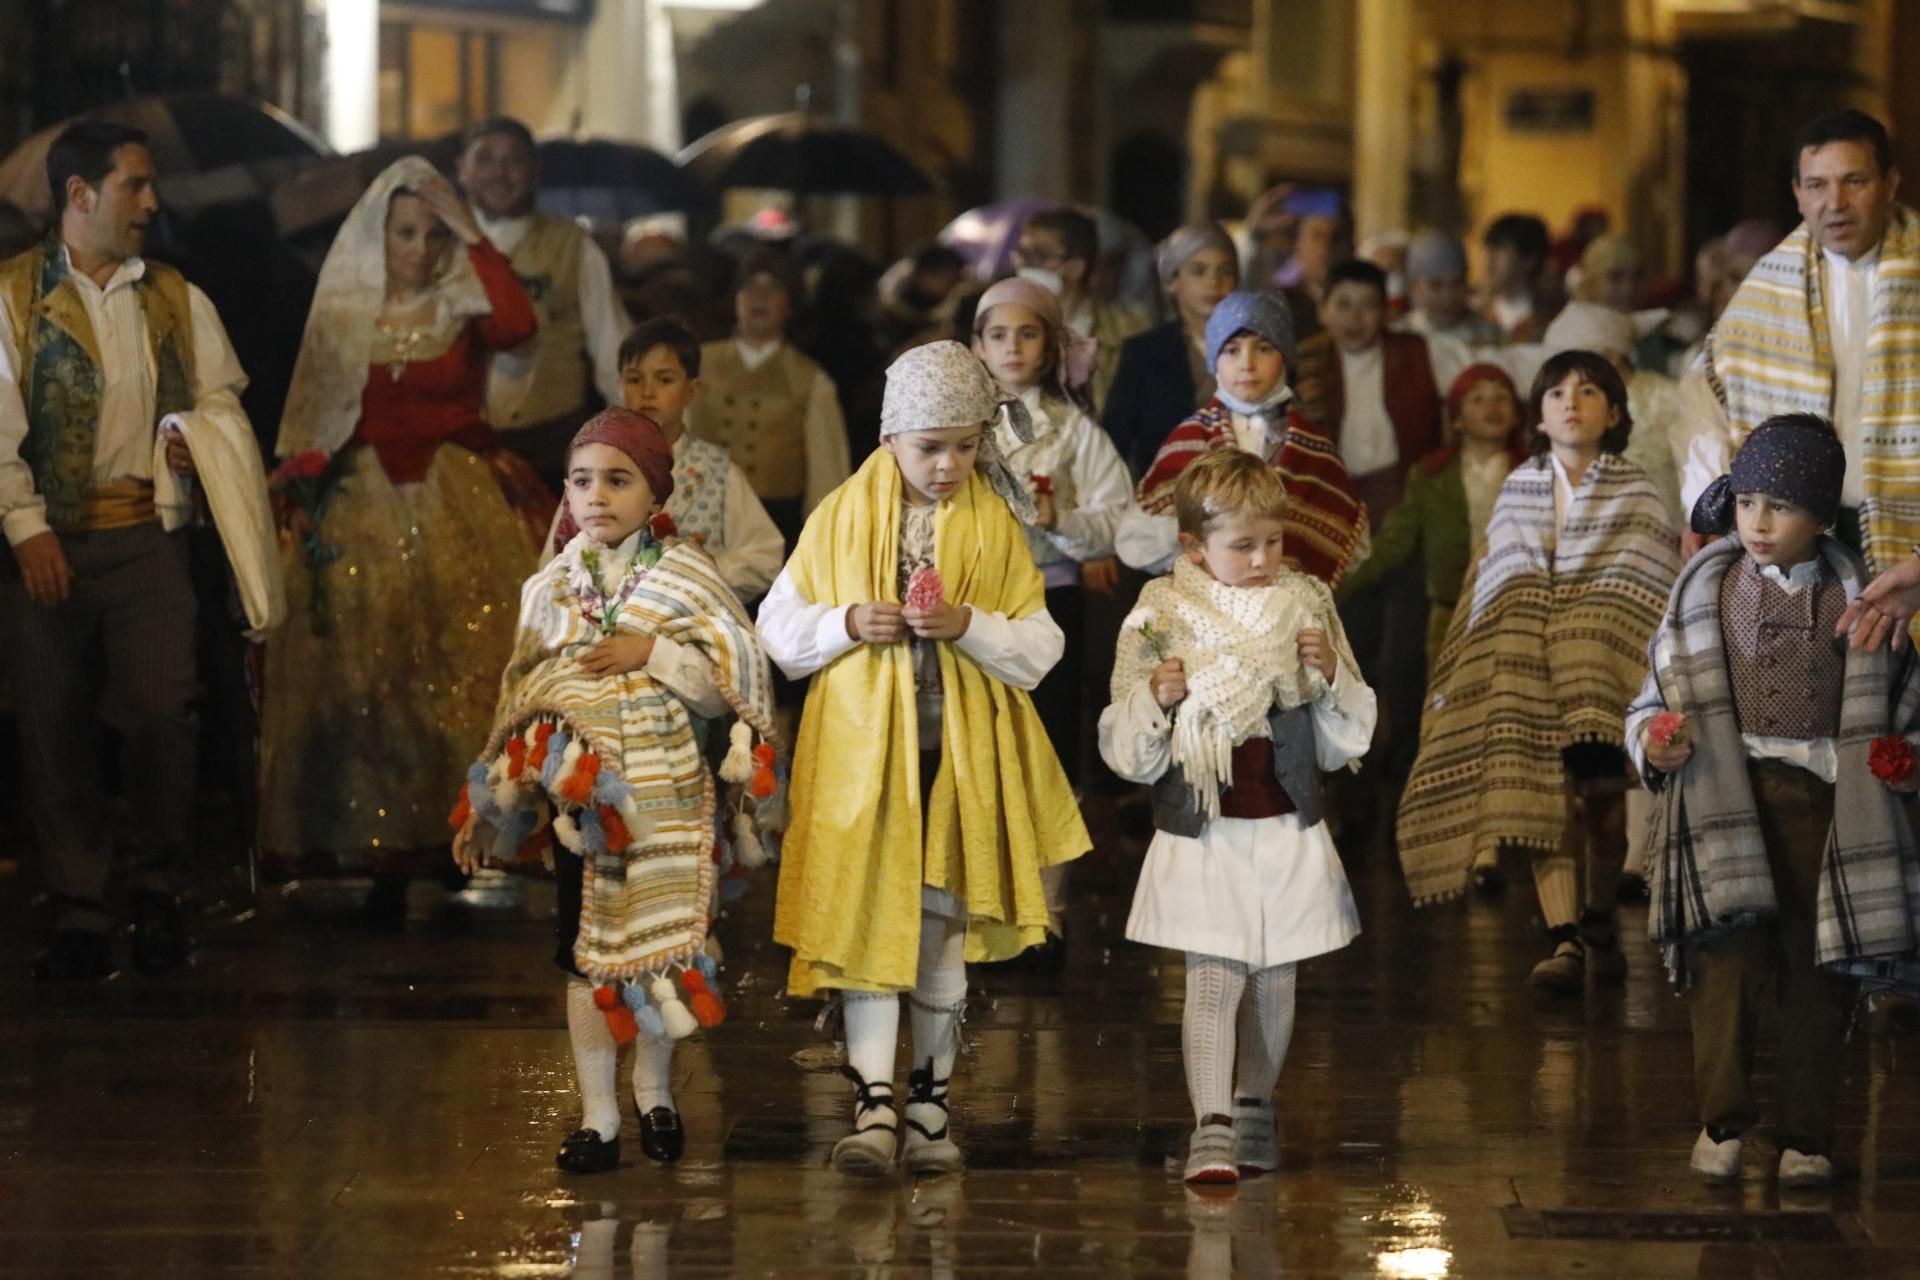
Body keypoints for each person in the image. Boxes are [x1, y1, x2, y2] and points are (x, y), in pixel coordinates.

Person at [759, 341, 1090, 1178]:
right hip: (863, 765)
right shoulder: (838, 516)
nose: (949, 466)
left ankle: (930, 1104)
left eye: (966, 446)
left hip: (958, 762)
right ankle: (874, 1105)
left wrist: (970, 626)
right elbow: (778, 627)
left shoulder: (995, 525)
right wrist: (845, 625)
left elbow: (1041, 643)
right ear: (889, 440)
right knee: (867, 919)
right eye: (929, 447)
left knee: (939, 927)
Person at [454, 408, 778, 1174]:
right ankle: (599, 1118)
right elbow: (524, 695)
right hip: (584, 813)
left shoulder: (687, 577)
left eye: (617, 480)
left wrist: (652, 651)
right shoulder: (552, 588)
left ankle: (655, 1095)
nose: (596, 496)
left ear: (653, 493)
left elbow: (725, 687)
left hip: (667, 805)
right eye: (580, 481)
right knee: (583, 955)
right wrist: (487, 807)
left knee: (659, 950)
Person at [0, 121, 280, 980]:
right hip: (48, 540)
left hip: (145, 538)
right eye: (135, 185)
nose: (152, 203)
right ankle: (82, 905)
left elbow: (224, 398)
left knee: (165, 711)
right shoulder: (11, 298)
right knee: (54, 723)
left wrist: (203, 440)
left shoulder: (173, 296)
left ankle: (158, 886)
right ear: (79, 194)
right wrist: (27, 526)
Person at [1627, 414, 1920, 1187]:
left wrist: (1902, 758)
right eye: (1748, 501)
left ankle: (1807, 1135)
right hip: (1726, 796)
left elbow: (1908, 708)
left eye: (1781, 507)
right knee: (1722, 968)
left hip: (1825, 810)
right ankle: (1721, 1119)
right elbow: (1649, 700)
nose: (1757, 522)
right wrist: (1655, 743)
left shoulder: (1866, 600)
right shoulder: (1705, 594)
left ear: (1823, 517)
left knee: (1816, 975)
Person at [259, 157, 553, 916]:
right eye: (405, 233)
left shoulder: (461, 304)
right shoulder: (346, 312)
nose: (418, 249)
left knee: (458, 672)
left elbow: (519, 326)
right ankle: (381, 849)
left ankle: (454, 833)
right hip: (362, 508)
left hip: (455, 498)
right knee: (370, 679)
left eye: (429, 234)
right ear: (379, 238)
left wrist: (471, 233)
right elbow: (314, 415)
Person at [1098, 448, 1375, 1184]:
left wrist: (1331, 677)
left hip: (1284, 819)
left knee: (1276, 979)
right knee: (1215, 976)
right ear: (1193, 546)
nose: (1262, 560)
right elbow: (1125, 745)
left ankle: (1256, 1102)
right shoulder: (1162, 609)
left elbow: (1348, 735)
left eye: (1273, 541)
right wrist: (1155, 701)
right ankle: (1211, 1126)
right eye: (1242, 546)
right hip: (1206, 823)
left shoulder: (1307, 601)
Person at [1396, 351, 1680, 991]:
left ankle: (1599, 917)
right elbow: (1497, 580)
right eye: (1555, 393)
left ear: (1613, 413)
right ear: (1540, 415)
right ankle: (1565, 940)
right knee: (1540, 811)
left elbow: (1645, 591)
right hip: (1526, 678)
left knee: (1603, 814)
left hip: (1602, 681)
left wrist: (1585, 631)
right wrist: (1530, 626)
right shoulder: (1520, 487)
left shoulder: (1636, 492)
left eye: (1587, 392)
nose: (1570, 403)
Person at [1676, 109, 1917, 572]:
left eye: (1855, 181)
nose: (1836, 202)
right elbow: (1704, 400)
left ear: (1890, 183)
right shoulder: (1766, 290)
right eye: (1817, 185)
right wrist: (1707, 500)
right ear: (1797, 195)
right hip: (1795, 535)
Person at [971, 276, 1131, 957]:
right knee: (977, 752)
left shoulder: (1073, 432)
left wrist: (1056, 517)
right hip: (971, 605)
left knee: (1050, 752)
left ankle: (1047, 914)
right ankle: (980, 910)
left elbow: (1119, 514)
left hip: (1048, 598)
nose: (1012, 347)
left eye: (1027, 333)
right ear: (976, 345)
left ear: (1052, 345)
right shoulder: (959, 424)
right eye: (998, 335)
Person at [1120, 291, 1367, 587]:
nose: (1247, 363)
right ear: (1214, 361)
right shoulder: (1190, 440)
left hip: (1288, 614)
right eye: (1232, 350)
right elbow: (1136, 540)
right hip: (1206, 613)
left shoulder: (1314, 449)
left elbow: (1350, 544)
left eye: (1264, 348)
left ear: (1286, 357)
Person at [542, 317, 785, 604]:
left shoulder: (717, 472)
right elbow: (553, 561)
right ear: (620, 386)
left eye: (664, 379)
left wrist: (699, 572)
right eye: (635, 379)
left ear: (692, 391)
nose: (647, 392)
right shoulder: (596, 466)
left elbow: (765, 557)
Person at [457, 117, 630, 486]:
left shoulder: (572, 244)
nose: (500, 173)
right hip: (460, 446)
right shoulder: (438, 246)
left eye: (514, 160)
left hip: (553, 444)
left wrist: (633, 435)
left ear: (535, 172)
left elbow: (610, 344)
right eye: (485, 159)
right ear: (462, 170)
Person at [690, 248, 851, 548]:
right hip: (703, 520)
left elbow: (826, 469)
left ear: (790, 304)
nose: (759, 297)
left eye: (773, 288)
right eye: (749, 287)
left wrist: (824, 536)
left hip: (777, 526)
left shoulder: (811, 379)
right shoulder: (698, 365)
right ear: (735, 298)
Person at [1103, 222, 1239, 476]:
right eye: (1198, 271)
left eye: (1226, 271)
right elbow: (1115, 442)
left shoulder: (1256, 349)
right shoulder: (1143, 353)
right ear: (1171, 281)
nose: (1214, 282)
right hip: (1165, 497)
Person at [1013, 206, 1149, 415]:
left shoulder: (1129, 330)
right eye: (1023, 253)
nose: (1027, 265)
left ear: (1076, 267)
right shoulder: (1004, 326)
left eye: (1041, 255)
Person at [1480, 213, 1555, 343]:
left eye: (1500, 249)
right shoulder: (1479, 316)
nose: (1489, 260)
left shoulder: (1550, 323)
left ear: (1529, 259)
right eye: (1488, 249)